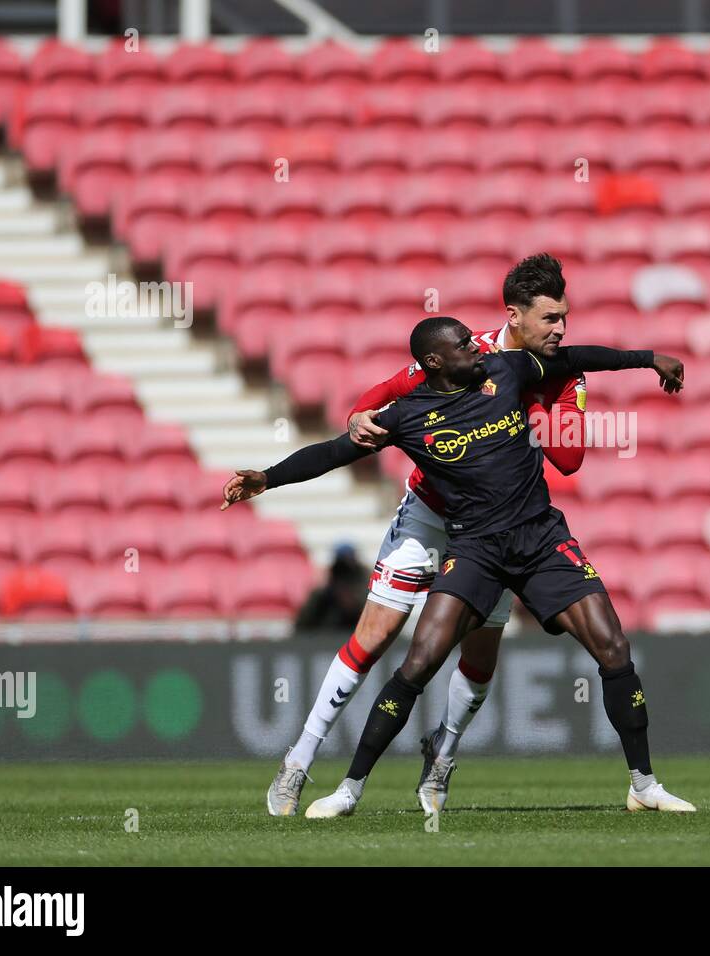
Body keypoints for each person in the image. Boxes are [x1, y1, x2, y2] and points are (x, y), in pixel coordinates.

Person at [223, 254, 589, 816]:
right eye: (551, 320)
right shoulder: (471, 350)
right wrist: (353, 419)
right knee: (374, 637)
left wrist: (540, 402)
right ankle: (299, 760)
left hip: (495, 529)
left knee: (481, 654)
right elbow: (379, 400)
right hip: (429, 514)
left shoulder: (559, 373)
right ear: (517, 318)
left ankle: (442, 752)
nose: (562, 331)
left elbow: (569, 459)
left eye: (565, 319)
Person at [293, 543, 369, 633]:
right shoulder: (323, 593)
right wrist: (325, 590)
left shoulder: (365, 586)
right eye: (340, 571)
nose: (344, 576)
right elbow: (302, 625)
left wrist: (353, 600)